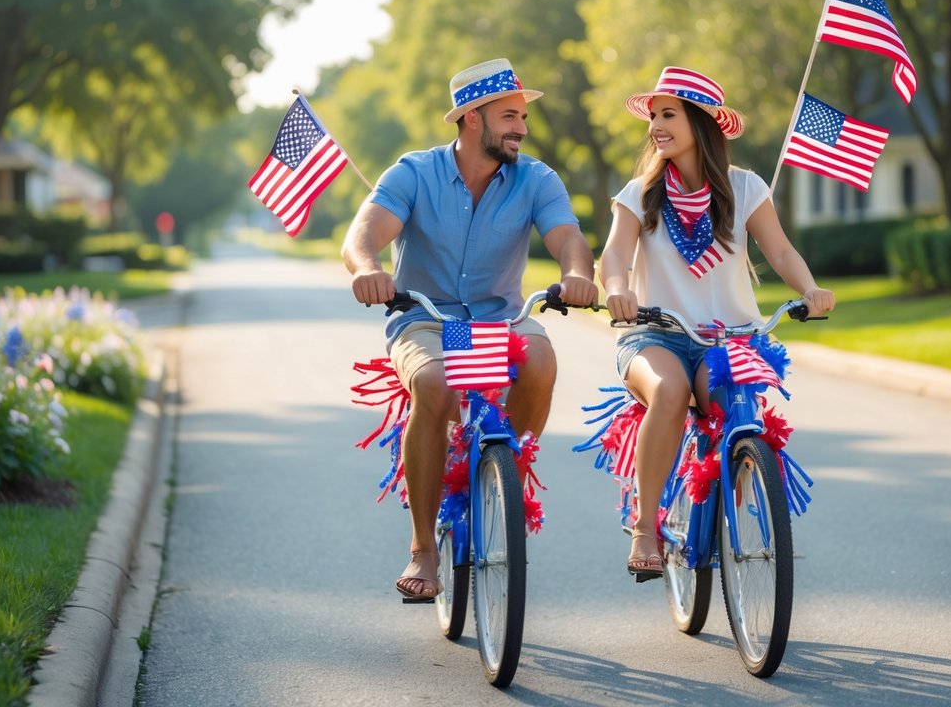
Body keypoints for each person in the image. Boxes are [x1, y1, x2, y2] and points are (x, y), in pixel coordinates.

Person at [343, 57, 598, 600]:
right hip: (427, 320)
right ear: (472, 118)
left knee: (542, 359)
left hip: (500, 318)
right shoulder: (414, 172)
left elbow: (568, 239)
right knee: (434, 385)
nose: (522, 129)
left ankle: (509, 472)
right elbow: (363, 233)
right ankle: (423, 550)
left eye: (523, 117)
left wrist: (577, 274)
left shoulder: (536, 178)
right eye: (510, 116)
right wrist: (368, 269)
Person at [598, 66, 835, 579]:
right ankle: (646, 526)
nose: (656, 126)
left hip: (729, 337)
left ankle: (735, 495)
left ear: (701, 123)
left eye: (669, 115)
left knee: (738, 408)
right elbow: (613, 257)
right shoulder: (639, 193)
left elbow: (780, 251)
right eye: (654, 116)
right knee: (668, 390)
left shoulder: (745, 188)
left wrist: (810, 288)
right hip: (655, 334)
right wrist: (617, 290)